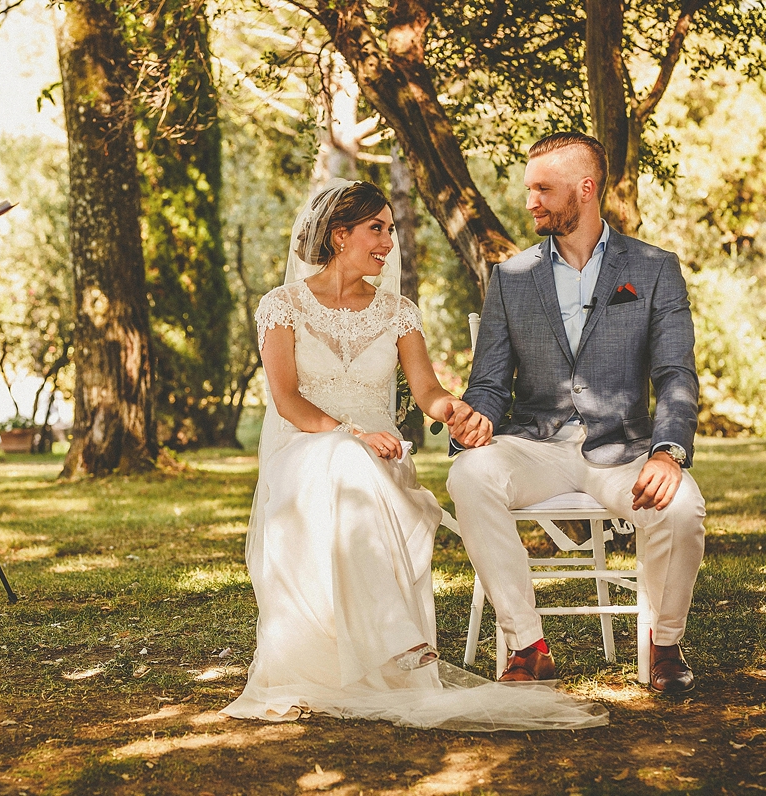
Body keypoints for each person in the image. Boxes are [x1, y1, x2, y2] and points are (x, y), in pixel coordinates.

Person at [222, 179, 606, 731]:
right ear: (339, 236)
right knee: (346, 461)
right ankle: (399, 640)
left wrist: (454, 411)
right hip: (304, 453)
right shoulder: (281, 306)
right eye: (376, 228)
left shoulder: (398, 313)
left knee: (359, 465)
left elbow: (426, 391)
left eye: (390, 229)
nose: (387, 241)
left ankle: (393, 642)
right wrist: (350, 434)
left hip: (380, 459)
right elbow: (286, 400)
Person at [446, 132, 706, 694]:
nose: (530, 201)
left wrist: (668, 451)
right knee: (468, 474)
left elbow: (675, 374)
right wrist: (476, 419)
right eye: (528, 189)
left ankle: (664, 645)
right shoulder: (510, 278)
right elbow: (489, 384)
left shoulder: (655, 268)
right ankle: (527, 644)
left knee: (682, 508)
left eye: (543, 188)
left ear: (585, 190)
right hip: (535, 446)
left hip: (623, 450)